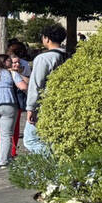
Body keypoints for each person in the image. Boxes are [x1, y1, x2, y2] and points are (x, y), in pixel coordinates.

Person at [23, 24, 68, 154]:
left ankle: (55, 160)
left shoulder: (44, 58)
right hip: (65, 102)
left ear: (46, 38)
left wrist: (31, 108)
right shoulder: (69, 55)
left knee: (31, 140)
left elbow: (36, 84)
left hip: (46, 104)